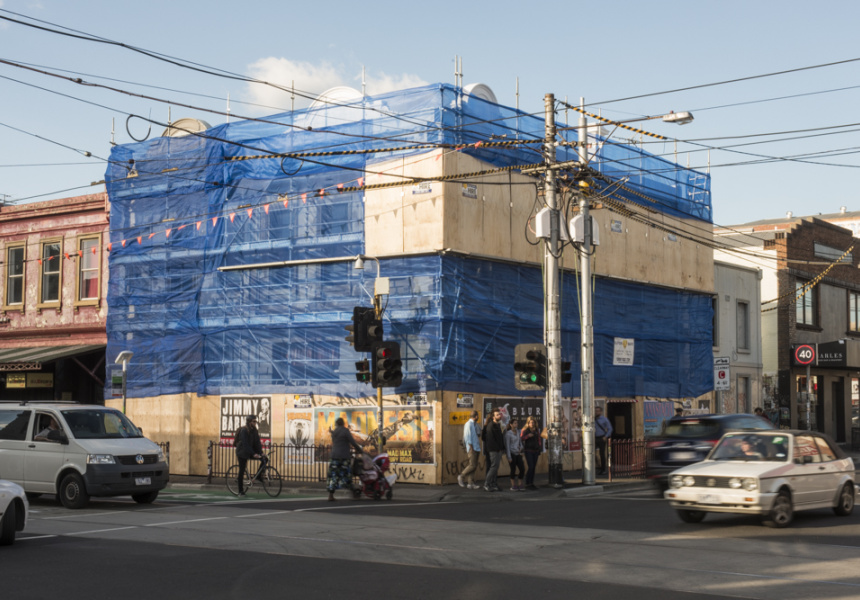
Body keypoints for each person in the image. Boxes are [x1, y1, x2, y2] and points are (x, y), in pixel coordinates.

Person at [327, 417, 363, 501]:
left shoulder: (335, 432)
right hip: (343, 457)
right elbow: (353, 442)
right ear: (343, 423)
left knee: (333, 476)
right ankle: (354, 492)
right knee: (346, 475)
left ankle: (330, 495)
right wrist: (360, 450)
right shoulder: (345, 431)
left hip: (334, 457)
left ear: (337, 424)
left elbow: (335, 441)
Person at [235, 415, 266, 496]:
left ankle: (258, 476)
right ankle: (240, 491)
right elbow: (245, 444)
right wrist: (254, 454)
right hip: (242, 452)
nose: (255, 423)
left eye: (256, 421)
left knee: (265, 459)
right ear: (249, 422)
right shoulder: (244, 431)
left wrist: (260, 452)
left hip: (250, 451)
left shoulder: (255, 430)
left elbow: (257, 443)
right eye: (254, 421)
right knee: (242, 470)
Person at [457, 411, 482, 490]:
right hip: (472, 448)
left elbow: (478, 434)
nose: (478, 417)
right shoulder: (468, 424)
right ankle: (461, 476)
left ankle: (470, 483)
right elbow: (468, 436)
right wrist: (471, 447)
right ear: (476, 416)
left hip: (476, 447)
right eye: (478, 416)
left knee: (474, 465)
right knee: (472, 465)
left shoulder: (475, 424)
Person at [483, 408, 504, 492]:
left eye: (499, 414)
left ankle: (493, 484)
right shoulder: (490, 426)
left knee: (495, 468)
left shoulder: (497, 425)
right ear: (493, 417)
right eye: (497, 415)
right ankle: (486, 484)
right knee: (493, 467)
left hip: (498, 450)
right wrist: (498, 449)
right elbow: (491, 440)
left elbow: (500, 438)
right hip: (494, 450)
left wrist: (502, 448)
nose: (499, 416)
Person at [504, 419, 525, 491]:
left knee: (522, 469)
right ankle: (513, 485)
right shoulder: (508, 434)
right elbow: (507, 445)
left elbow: (520, 442)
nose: (516, 424)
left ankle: (520, 483)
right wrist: (509, 457)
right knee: (513, 469)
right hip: (512, 453)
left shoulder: (518, 432)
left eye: (517, 423)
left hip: (518, 452)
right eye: (515, 423)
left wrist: (521, 448)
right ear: (511, 424)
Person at [594, 405, 613, 476]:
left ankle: (603, 469)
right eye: (596, 411)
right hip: (595, 438)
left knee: (602, 454)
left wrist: (606, 436)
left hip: (602, 437)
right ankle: (598, 466)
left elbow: (610, 428)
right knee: (593, 453)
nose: (597, 412)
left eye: (598, 411)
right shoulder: (593, 419)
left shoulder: (604, 419)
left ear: (601, 412)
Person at [480, 412, 493, 477]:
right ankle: (489, 481)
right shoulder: (489, 427)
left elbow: (483, 438)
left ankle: (488, 480)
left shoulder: (485, 427)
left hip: (487, 448)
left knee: (489, 465)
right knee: (491, 465)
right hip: (491, 448)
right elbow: (483, 438)